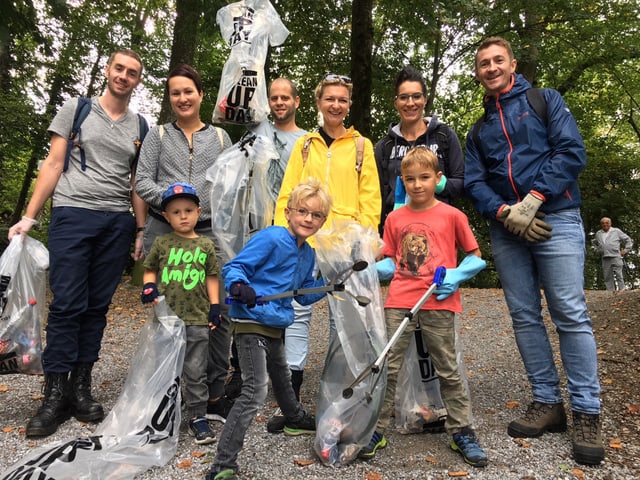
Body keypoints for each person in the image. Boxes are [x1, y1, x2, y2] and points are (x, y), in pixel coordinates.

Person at [464, 36, 604, 465]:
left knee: (569, 311)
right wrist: (506, 211)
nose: (490, 68)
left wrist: (535, 198)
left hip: (556, 217)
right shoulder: (479, 129)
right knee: (524, 315)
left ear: (512, 64)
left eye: (497, 60)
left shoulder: (546, 101)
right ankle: (547, 402)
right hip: (507, 229)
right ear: (478, 73)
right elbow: (473, 181)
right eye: (483, 63)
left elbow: (571, 150)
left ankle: (587, 411)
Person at [7, 49, 147, 437]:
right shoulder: (77, 108)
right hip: (73, 214)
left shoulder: (140, 125)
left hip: (116, 222)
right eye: (118, 68)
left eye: (132, 72)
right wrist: (29, 217)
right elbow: (53, 163)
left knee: (97, 307)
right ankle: (54, 394)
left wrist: (139, 230)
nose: (123, 76)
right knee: (68, 303)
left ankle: (80, 388)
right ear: (107, 70)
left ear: (137, 81)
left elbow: (136, 183)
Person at [360, 147, 488, 467]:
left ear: (438, 179)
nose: (418, 185)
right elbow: (391, 261)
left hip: (438, 301)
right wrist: (369, 272)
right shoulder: (395, 218)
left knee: (447, 367)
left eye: (425, 178)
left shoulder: (452, 215)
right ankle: (377, 429)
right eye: (411, 179)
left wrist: (458, 275)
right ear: (402, 181)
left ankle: (461, 430)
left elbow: (476, 256)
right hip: (400, 299)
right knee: (387, 365)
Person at [206, 178, 332, 480]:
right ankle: (223, 464)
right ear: (288, 212)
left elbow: (303, 293)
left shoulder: (308, 254)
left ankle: (294, 418)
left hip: (275, 325)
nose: (308, 219)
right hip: (251, 322)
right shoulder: (273, 237)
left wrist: (331, 283)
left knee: (282, 376)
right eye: (303, 211)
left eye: (316, 215)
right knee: (254, 390)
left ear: (322, 221)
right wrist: (239, 285)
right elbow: (234, 267)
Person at [272, 74, 381, 416]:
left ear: (349, 104)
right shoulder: (305, 145)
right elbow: (288, 192)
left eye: (342, 100)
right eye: (330, 98)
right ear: (318, 103)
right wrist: (283, 236)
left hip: (345, 245)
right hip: (305, 239)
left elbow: (371, 200)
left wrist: (365, 242)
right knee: (298, 314)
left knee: (342, 317)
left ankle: (338, 390)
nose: (336, 104)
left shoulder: (362, 145)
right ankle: (290, 395)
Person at [135, 63, 235, 424]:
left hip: (209, 233)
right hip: (165, 231)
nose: (182, 98)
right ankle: (167, 389)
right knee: (169, 311)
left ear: (201, 95)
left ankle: (212, 393)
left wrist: (206, 207)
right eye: (175, 92)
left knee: (216, 311)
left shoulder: (222, 139)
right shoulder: (158, 136)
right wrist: (173, 198)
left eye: (188, 91)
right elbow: (141, 180)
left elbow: (230, 184)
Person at [224, 77, 308, 402]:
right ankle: (242, 371)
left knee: (281, 296)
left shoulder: (306, 141)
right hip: (257, 227)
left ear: (297, 101)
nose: (280, 102)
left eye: (286, 97)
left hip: (289, 230)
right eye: (274, 97)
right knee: (247, 291)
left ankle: (279, 374)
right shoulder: (257, 134)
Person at [141, 182, 220, 445]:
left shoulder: (206, 245)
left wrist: (215, 307)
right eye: (176, 212)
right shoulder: (162, 243)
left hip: (198, 317)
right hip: (167, 320)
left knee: (196, 370)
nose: (183, 216)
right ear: (166, 216)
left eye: (188, 210)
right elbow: (149, 268)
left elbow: (211, 277)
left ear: (199, 212)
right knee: (164, 367)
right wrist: (149, 286)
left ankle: (197, 415)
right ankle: (163, 413)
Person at [375, 65, 464, 234]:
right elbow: (377, 195)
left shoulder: (443, 136)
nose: (410, 103)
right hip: (397, 232)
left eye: (416, 96)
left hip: (440, 230)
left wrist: (432, 183)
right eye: (404, 97)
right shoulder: (384, 146)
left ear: (425, 100)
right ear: (396, 102)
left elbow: (461, 182)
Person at [592, 217, 633, 290]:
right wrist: (597, 251)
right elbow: (595, 244)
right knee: (607, 276)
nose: (605, 224)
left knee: (619, 275)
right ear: (601, 224)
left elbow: (628, 240)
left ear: (610, 223)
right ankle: (610, 294)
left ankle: (622, 291)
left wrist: (626, 250)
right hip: (605, 257)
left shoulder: (616, 231)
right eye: (603, 223)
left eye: (607, 222)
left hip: (616, 256)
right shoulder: (598, 233)